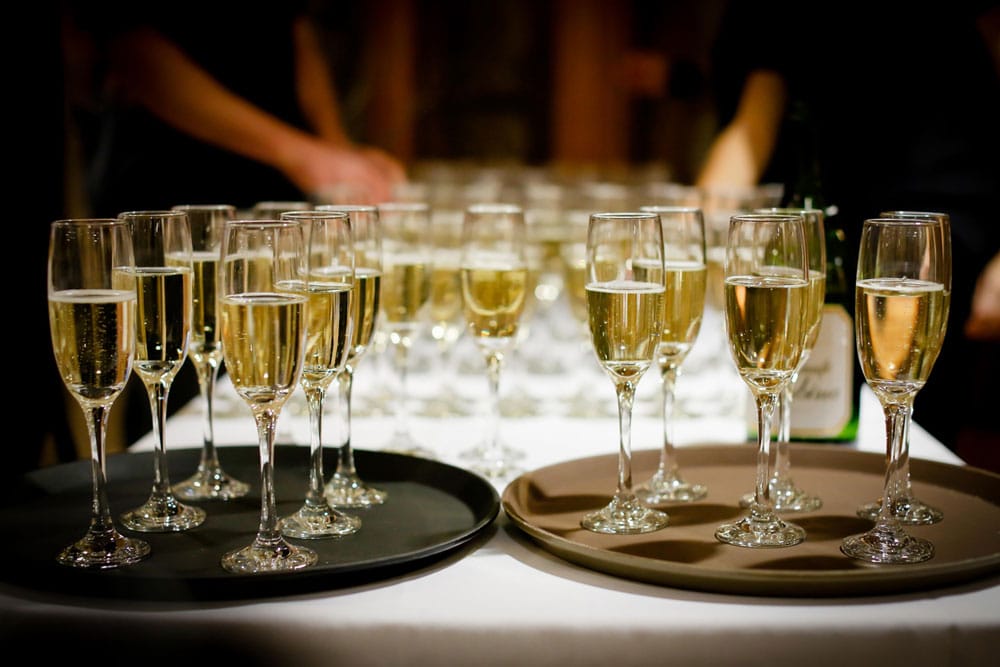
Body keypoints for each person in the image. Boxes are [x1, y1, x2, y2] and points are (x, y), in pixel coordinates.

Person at [64, 2, 408, 448]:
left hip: (271, 193)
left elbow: (294, 33)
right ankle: (181, 487)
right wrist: (303, 153)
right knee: (171, 381)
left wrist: (333, 150)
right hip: (171, 191)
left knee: (270, 368)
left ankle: (263, 483)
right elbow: (132, 47)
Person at [695, 1, 1000, 464]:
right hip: (813, 219)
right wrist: (703, 227)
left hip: (931, 223)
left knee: (915, 419)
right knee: (804, 422)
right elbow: (758, 109)